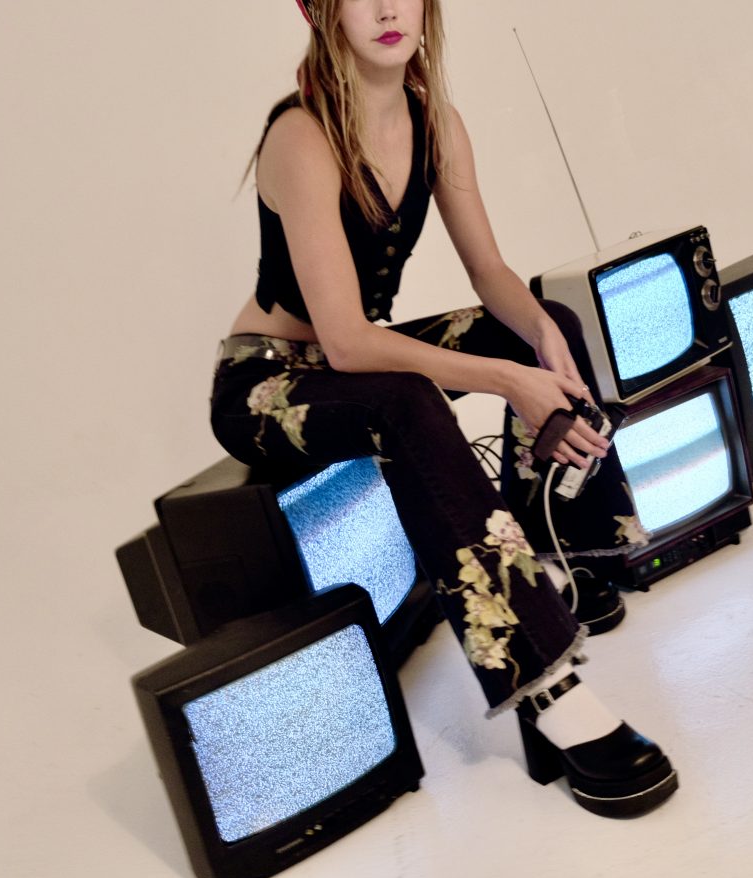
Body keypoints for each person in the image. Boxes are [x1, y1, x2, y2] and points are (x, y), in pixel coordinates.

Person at [209, 0, 677, 818]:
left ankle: (570, 553)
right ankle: (546, 686)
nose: (388, 8)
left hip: (358, 357)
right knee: (407, 396)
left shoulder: (437, 124)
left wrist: (538, 335)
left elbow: (488, 270)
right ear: (322, 12)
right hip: (269, 383)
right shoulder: (302, 136)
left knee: (543, 322)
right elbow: (347, 343)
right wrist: (507, 382)